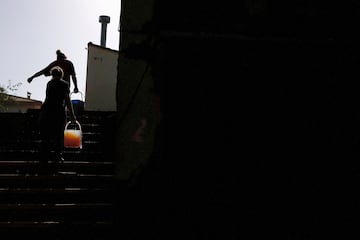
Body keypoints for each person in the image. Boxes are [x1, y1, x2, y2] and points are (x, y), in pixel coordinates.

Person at [33, 66, 76, 174]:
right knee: (58, 136)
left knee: (45, 137)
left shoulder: (49, 84)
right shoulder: (64, 84)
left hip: (47, 111)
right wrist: (72, 115)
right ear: (61, 74)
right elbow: (67, 100)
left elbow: (47, 98)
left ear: (52, 74)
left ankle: (44, 160)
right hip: (58, 112)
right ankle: (57, 156)